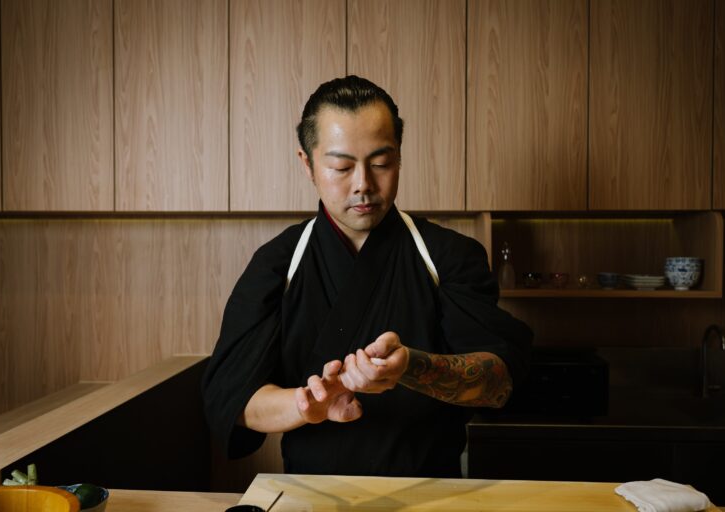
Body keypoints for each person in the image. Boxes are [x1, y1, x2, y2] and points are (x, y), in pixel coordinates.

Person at [202, 75, 532, 478]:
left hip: (433, 493)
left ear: (399, 157)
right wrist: (308, 404)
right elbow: (233, 399)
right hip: (310, 496)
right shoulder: (278, 264)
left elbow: (501, 380)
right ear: (307, 164)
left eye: (381, 163)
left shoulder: (447, 256)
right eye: (341, 166)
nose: (364, 185)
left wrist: (411, 366)